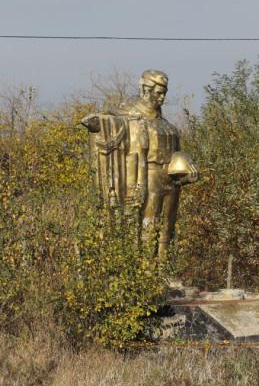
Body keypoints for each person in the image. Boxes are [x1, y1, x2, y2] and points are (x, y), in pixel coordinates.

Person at [80, 70, 198, 259]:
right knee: (148, 225)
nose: (162, 97)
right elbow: (108, 124)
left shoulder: (166, 125)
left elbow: (176, 152)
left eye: (164, 93)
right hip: (149, 176)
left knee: (168, 226)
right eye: (158, 92)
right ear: (145, 89)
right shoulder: (128, 116)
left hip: (171, 180)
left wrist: (186, 168)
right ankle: (146, 271)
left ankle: (162, 271)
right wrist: (98, 124)